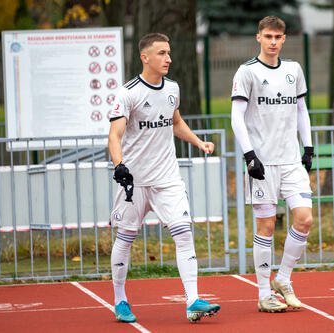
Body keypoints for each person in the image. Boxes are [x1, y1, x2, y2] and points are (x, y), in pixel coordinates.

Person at [108, 32, 220, 323]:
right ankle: (120, 300)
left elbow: (176, 122)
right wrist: (119, 165)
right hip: (135, 182)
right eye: (161, 53)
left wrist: (199, 143)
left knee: (183, 233)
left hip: (167, 179)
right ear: (145, 57)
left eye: (169, 53)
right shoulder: (128, 93)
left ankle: (192, 300)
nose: (168, 58)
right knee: (125, 238)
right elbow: (115, 135)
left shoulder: (172, 88)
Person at [231, 16, 314, 312]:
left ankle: (284, 278)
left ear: (284, 39)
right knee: (266, 226)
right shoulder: (247, 72)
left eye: (278, 37)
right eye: (268, 36)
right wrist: (249, 155)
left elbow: (301, 110)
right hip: (262, 164)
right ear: (258, 38)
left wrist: (309, 148)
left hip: (291, 161)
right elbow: (236, 118)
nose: (273, 42)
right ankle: (264, 293)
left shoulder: (294, 70)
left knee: (304, 218)